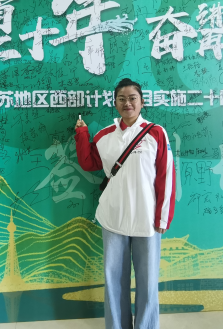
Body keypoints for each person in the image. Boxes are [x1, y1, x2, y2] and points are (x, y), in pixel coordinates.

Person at [74, 78, 175, 329]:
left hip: (147, 219)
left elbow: (166, 176)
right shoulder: (104, 135)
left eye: (132, 98)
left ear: (142, 101)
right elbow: (89, 163)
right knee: (114, 281)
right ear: (115, 102)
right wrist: (82, 134)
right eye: (122, 99)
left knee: (148, 281)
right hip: (113, 217)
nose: (127, 103)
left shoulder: (156, 133)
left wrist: (163, 217)